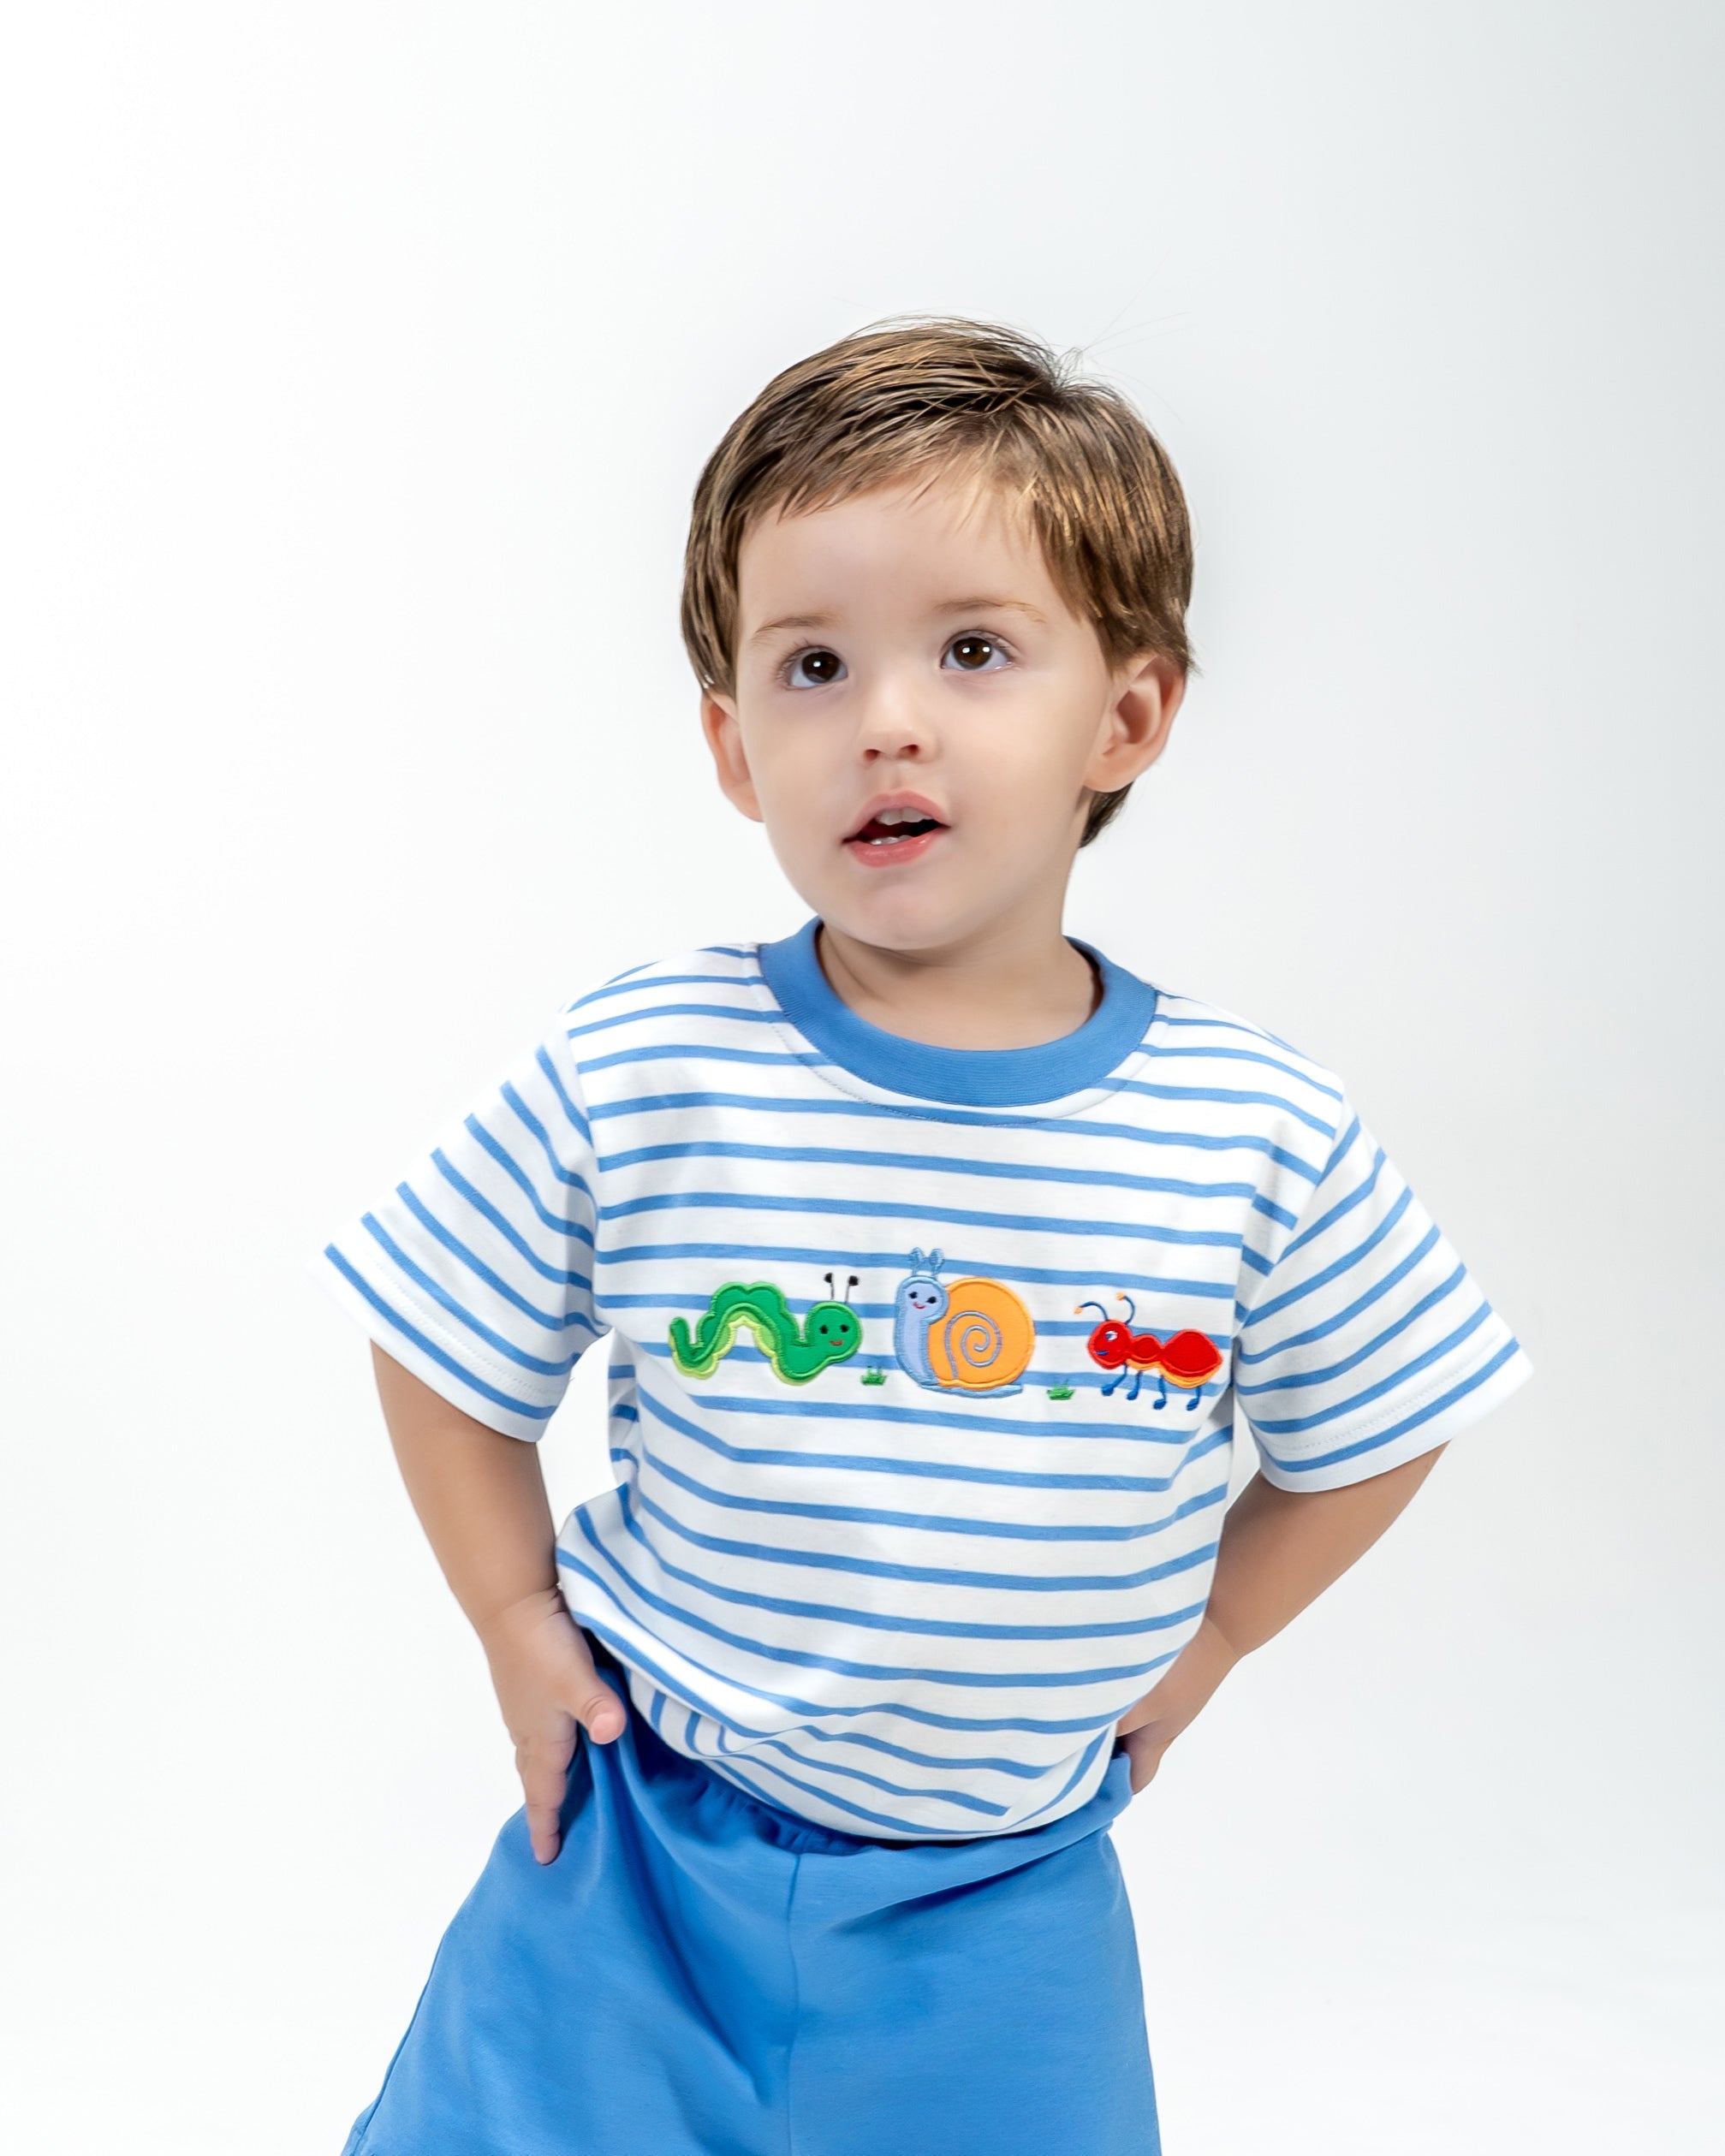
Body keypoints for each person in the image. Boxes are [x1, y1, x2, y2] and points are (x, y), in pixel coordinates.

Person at [312, 318, 1533, 2155]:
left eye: (973, 650)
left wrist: (1214, 1633)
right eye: (813, 665)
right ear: (733, 745)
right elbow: (438, 1336)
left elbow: (1387, 1418)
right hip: (641, 1858)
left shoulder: (1251, 1132)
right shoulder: (649, 1062)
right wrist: (510, 1612)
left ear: (1126, 716)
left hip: (1000, 1906)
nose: (886, 717)